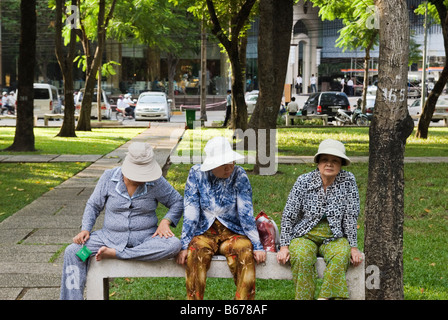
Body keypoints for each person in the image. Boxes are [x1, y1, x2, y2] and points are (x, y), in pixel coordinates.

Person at [60, 142, 183, 300]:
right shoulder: (108, 177)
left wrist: (166, 221)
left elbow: (177, 202)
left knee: (174, 245)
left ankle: (119, 254)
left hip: (146, 240)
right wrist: (85, 229)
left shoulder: (156, 182)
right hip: (107, 239)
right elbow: (93, 205)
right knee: (74, 252)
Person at [177, 136, 266, 300]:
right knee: (195, 252)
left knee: (245, 250)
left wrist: (257, 245)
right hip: (204, 233)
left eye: (230, 161)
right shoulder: (196, 174)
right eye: (223, 163)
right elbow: (191, 211)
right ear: (211, 165)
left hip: (232, 233)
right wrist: (184, 244)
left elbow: (246, 213)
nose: (229, 166)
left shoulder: (239, 174)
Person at [276, 139, 363, 300]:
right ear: (318, 163)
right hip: (305, 234)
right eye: (325, 160)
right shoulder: (304, 181)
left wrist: (353, 247)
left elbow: (351, 216)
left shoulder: (348, 181)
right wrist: (284, 246)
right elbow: (289, 215)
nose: (329, 164)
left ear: (341, 164)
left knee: (341, 254)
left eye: (335, 161)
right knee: (301, 256)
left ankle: (325, 298)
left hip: (334, 234)